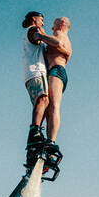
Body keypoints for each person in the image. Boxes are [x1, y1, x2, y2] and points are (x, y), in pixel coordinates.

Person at [34, 17, 72, 154]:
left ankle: (51, 141)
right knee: (50, 107)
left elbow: (56, 42)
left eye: (54, 25)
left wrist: (40, 36)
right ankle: (48, 139)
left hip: (56, 71)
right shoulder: (67, 42)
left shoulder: (60, 35)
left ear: (61, 24)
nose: (52, 28)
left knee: (54, 106)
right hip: (59, 73)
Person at [22, 11, 50, 149]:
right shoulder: (33, 29)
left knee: (43, 104)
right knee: (43, 99)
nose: (43, 23)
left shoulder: (27, 32)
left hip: (29, 75)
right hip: (37, 71)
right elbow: (39, 37)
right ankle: (35, 132)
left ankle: (34, 138)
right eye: (41, 20)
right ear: (34, 19)